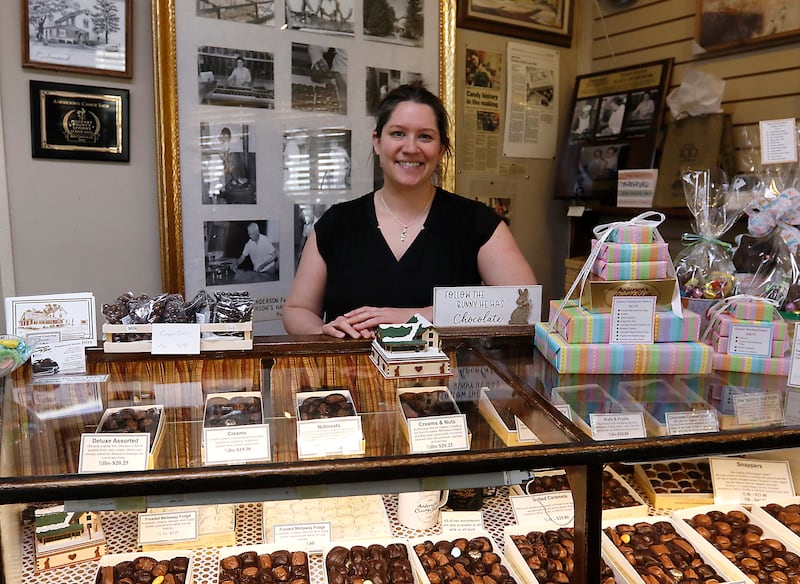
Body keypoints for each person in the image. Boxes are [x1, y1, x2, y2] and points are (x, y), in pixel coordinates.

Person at [283, 82, 537, 338]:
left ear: (440, 149)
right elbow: (297, 309)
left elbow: (527, 305)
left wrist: (419, 316)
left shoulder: (476, 222)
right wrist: (322, 330)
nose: (411, 147)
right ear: (377, 142)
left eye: (425, 136)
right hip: (351, 376)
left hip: (448, 376)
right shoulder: (336, 223)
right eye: (398, 133)